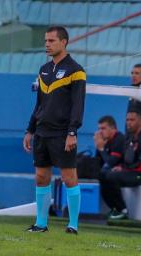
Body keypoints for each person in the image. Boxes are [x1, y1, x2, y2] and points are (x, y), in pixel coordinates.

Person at [23, 26, 86, 234]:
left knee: (69, 178)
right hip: (42, 132)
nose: (47, 45)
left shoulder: (76, 71)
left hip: (62, 133)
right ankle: (41, 223)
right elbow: (39, 104)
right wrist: (30, 130)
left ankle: (73, 225)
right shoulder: (43, 69)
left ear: (64, 42)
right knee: (41, 176)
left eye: (51, 41)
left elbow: (78, 105)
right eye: (45, 41)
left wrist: (72, 132)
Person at [99, 111, 141, 220]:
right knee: (103, 175)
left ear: (140, 121)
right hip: (131, 172)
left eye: (132, 120)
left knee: (111, 176)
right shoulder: (130, 137)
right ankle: (114, 208)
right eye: (127, 120)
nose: (128, 123)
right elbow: (126, 159)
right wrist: (121, 167)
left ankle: (123, 210)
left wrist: (125, 169)